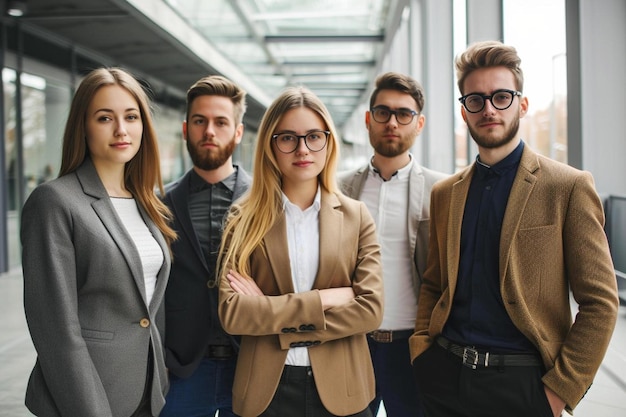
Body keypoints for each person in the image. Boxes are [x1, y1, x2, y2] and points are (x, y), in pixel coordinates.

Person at [410, 40, 619, 417]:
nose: (488, 109)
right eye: (475, 100)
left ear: (522, 104)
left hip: (524, 388)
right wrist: (422, 352)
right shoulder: (445, 194)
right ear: (464, 111)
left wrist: (559, 392)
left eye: (501, 97)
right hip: (443, 377)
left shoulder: (567, 186)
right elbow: (433, 282)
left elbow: (600, 302)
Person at [217, 86, 384, 417]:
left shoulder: (356, 216)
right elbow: (233, 313)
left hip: (343, 391)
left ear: (328, 141)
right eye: (288, 138)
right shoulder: (242, 217)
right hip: (266, 391)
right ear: (271, 144)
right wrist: (323, 300)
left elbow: (370, 310)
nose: (303, 149)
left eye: (313, 136)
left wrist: (267, 310)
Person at [21, 67, 177, 417]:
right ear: (84, 126)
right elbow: (56, 330)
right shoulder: (56, 201)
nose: (122, 129)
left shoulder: (147, 203)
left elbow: (151, 304)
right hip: (87, 398)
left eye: (131, 116)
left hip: (144, 394)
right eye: (105, 117)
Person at [338, 71, 447, 417]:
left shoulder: (442, 191)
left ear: (420, 123)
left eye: (404, 114)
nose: (392, 123)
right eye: (383, 113)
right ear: (368, 120)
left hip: (414, 347)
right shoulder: (338, 189)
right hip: (352, 342)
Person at [160, 75, 251, 417]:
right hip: (181, 371)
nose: (209, 131)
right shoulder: (158, 203)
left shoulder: (267, 201)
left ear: (238, 132)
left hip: (250, 365)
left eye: (221, 122)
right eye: (200, 121)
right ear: (186, 129)